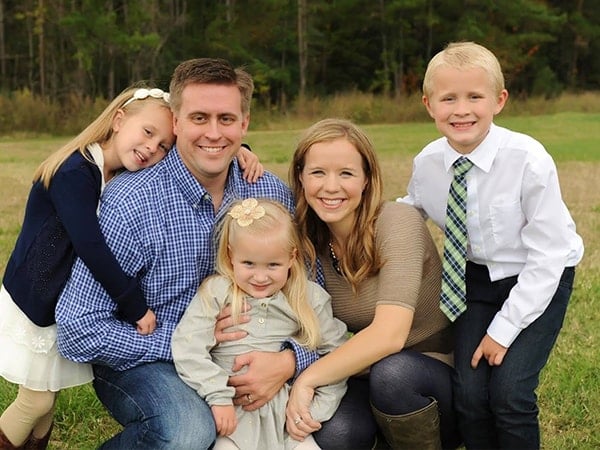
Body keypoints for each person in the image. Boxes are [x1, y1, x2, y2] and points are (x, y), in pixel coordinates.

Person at [55, 58, 302, 450]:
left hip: (252, 353)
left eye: (226, 118)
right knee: (188, 433)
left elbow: (309, 295)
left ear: (245, 124)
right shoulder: (132, 202)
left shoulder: (269, 194)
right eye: (199, 118)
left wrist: (289, 362)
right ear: (176, 121)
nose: (214, 133)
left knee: (326, 424)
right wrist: (182, 343)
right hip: (147, 359)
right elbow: (78, 328)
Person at [397, 41, 584, 449]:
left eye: (474, 97)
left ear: (499, 101)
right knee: (468, 394)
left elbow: (549, 254)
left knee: (508, 393)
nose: (461, 110)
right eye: (448, 98)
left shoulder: (528, 159)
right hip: (474, 282)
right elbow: (410, 211)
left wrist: (504, 329)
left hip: (539, 277)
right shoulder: (428, 163)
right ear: (429, 104)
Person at [0, 85, 175, 450]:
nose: (151, 149)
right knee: (37, 400)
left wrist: (240, 152)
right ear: (118, 119)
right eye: (147, 132)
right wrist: (133, 303)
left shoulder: (117, 173)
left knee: (46, 405)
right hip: (35, 299)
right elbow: (90, 245)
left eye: (163, 146)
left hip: (58, 301)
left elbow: (193, 159)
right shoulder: (75, 171)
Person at [284, 118, 460, 450]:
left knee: (394, 374)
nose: (331, 187)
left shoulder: (397, 222)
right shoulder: (307, 241)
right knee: (334, 436)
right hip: (363, 370)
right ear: (301, 178)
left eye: (346, 173)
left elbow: (389, 335)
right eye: (318, 172)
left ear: (367, 179)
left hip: (432, 374)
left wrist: (308, 379)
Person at [172, 198, 348, 450]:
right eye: (249, 264)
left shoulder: (307, 297)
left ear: (291, 257)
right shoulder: (217, 292)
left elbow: (338, 357)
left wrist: (313, 411)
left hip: (287, 420)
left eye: (273, 265)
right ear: (231, 255)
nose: (260, 276)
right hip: (233, 418)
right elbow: (188, 348)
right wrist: (217, 396)